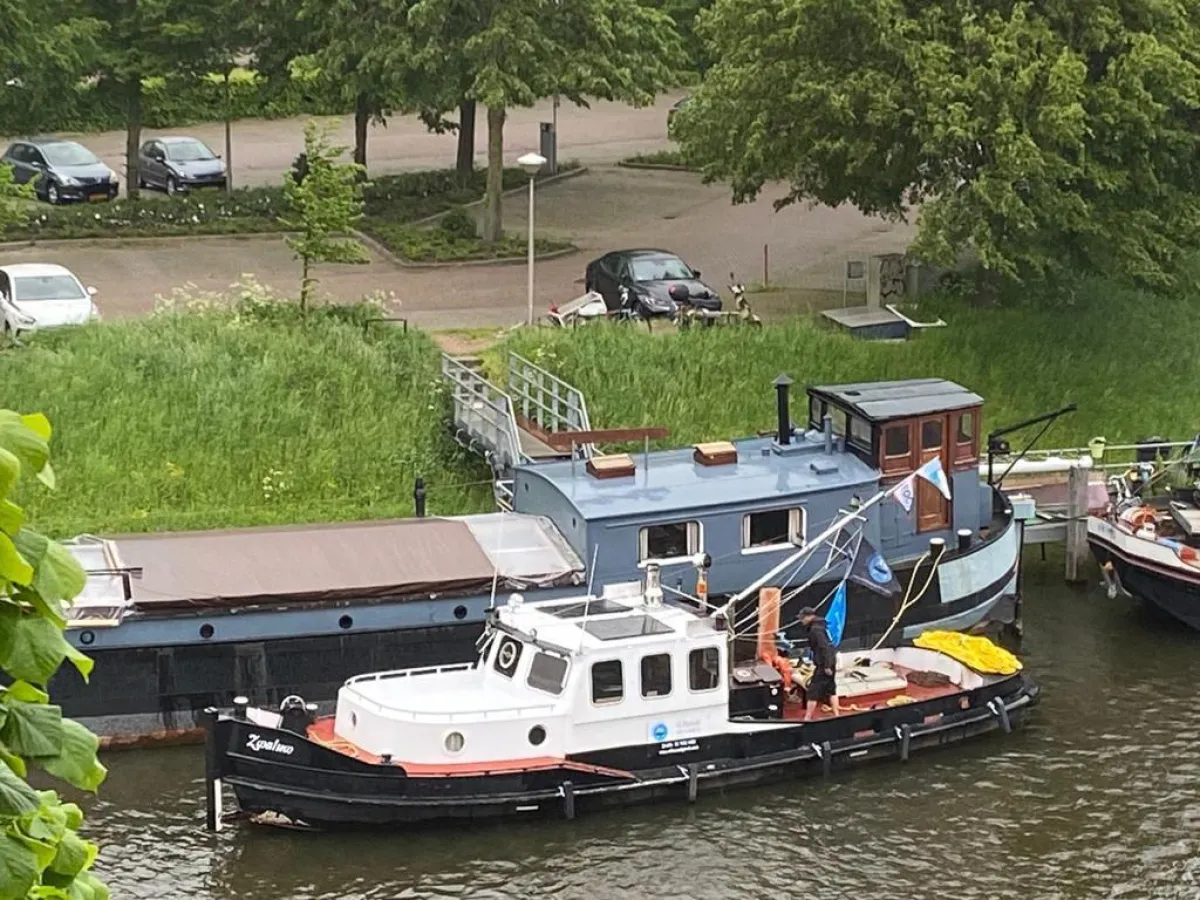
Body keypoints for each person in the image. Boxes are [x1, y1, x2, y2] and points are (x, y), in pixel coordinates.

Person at [798, 607, 839, 720]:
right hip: (832, 659)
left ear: (809, 617)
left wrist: (826, 665)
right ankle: (836, 715)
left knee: (813, 690)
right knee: (831, 687)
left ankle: (807, 717)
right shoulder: (823, 626)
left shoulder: (815, 629)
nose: (801, 621)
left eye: (802, 618)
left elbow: (823, 647)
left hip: (824, 663)